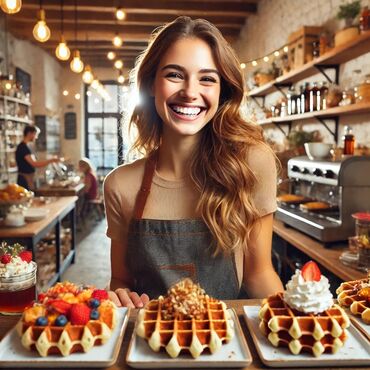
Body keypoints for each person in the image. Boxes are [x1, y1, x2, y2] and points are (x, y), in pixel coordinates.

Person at [104, 16, 283, 308]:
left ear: (222, 90)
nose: (190, 92)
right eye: (174, 75)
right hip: (150, 344)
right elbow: (121, 280)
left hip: (230, 344)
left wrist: (295, 324)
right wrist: (121, 295)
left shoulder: (251, 163)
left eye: (207, 79)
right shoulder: (120, 185)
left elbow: (258, 274)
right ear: (151, 84)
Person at [15, 125, 59, 190]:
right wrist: (51, 160)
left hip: (29, 178)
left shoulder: (27, 147)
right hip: (24, 179)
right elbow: (35, 164)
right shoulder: (22, 148)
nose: (36, 137)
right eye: (35, 134)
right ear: (29, 133)